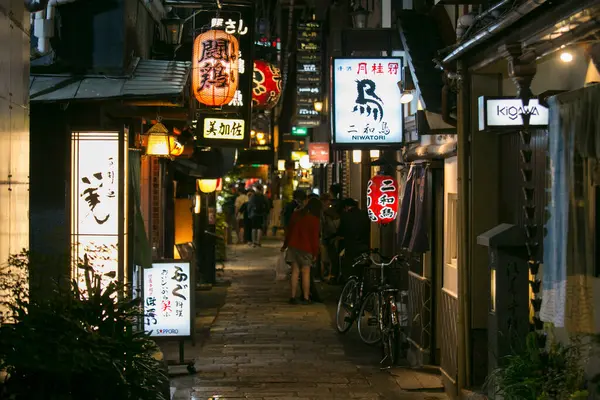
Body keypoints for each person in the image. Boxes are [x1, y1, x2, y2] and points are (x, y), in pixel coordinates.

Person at [281, 197, 322, 305]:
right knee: (306, 272)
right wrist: (315, 252)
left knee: (295, 272)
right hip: (306, 248)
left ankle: (293, 296)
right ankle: (306, 297)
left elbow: (289, 231)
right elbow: (314, 238)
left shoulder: (296, 215)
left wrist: (285, 245)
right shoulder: (315, 220)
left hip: (293, 245)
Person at [336, 198, 371, 281]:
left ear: (346, 207)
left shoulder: (345, 216)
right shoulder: (365, 214)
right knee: (362, 269)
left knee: (351, 269)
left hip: (351, 246)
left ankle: (351, 286)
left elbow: (340, 231)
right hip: (364, 246)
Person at [320, 193, 340, 281]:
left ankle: (326, 274)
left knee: (327, 258)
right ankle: (328, 275)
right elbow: (330, 227)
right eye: (329, 200)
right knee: (328, 258)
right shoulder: (326, 212)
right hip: (327, 238)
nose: (330, 202)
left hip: (327, 238)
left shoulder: (325, 211)